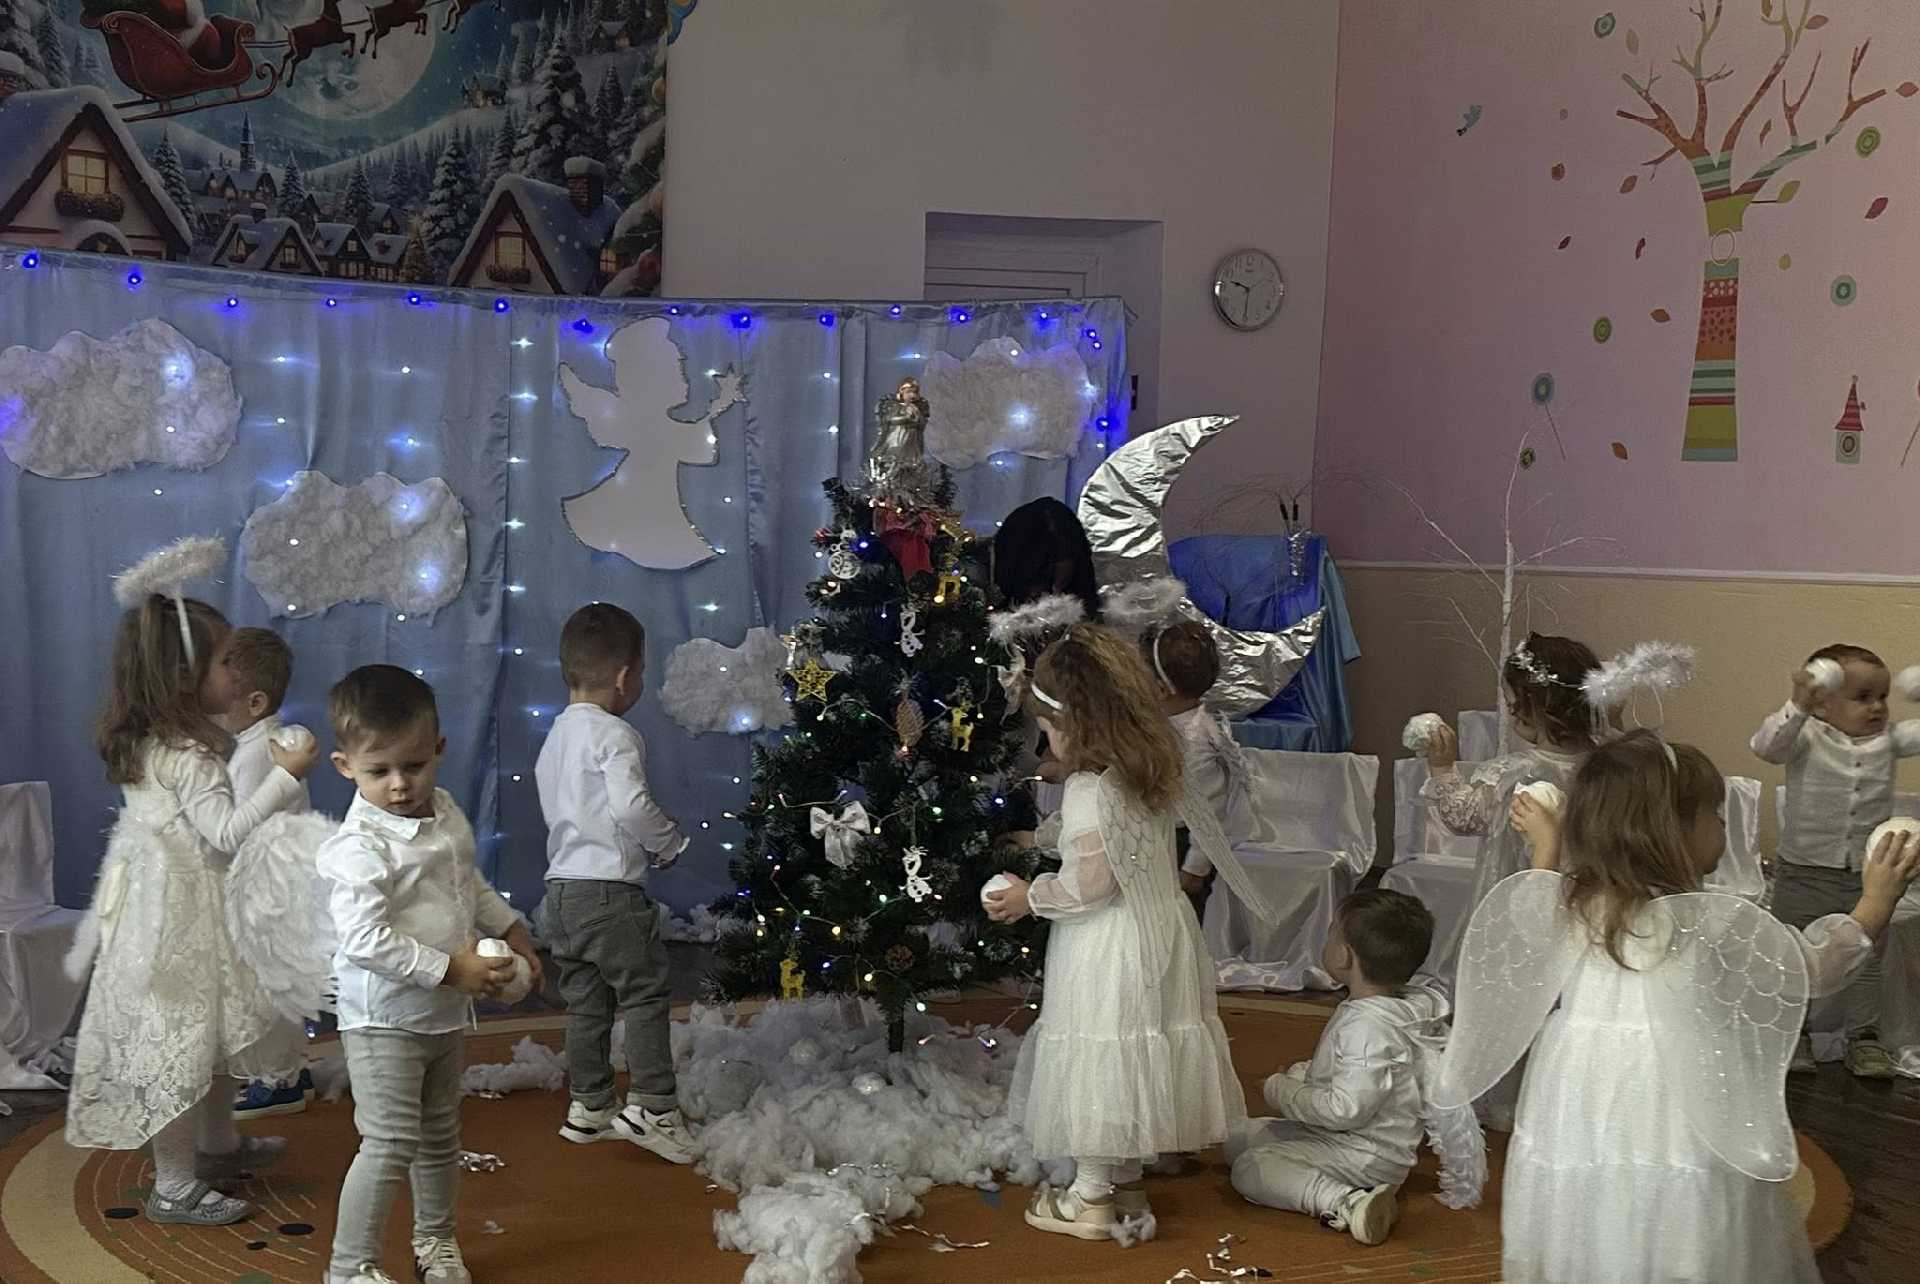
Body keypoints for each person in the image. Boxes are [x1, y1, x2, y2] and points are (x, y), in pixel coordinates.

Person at [1451, 731, 1920, 1283]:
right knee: (1682, 1198)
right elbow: (1810, 968)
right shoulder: (1709, 922)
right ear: (1671, 829)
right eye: (1714, 814)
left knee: (1591, 1189)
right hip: (1675, 1096)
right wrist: (1875, 903)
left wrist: (1546, 847)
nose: (1723, 826)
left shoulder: (1577, 904)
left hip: (1580, 1087)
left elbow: (1533, 920)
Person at [985, 624, 1272, 1240]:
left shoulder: (1091, 789)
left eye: (1050, 727)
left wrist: (1027, 897)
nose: (1046, 741)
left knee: (1102, 1056)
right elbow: (1119, 840)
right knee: (1137, 1051)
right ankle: (1127, 1177)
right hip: (1161, 930)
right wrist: (1044, 839)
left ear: (1078, 726)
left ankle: (1090, 1196)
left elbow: (1089, 885)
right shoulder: (1149, 768)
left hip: (1108, 943)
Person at [67, 593, 317, 1226]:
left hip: (154, 908)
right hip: (186, 916)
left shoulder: (146, 742)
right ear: (184, 676)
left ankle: (216, 1147)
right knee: (182, 1046)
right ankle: (175, 1185)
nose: (235, 672)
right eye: (225, 661)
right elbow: (224, 834)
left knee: (210, 1038)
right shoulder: (191, 755)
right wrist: (284, 777)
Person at [318, 666, 539, 1284]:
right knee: (389, 1142)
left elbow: (467, 884)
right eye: (379, 771)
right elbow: (363, 940)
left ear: (438, 749)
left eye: (413, 765)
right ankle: (350, 1268)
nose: (399, 785)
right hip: (383, 1018)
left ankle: (435, 1241)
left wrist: (512, 928)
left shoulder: (444, 812)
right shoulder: (359, 847)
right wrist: (451, 969)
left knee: (441, 1134)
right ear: (344, 766)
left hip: (441, 1013)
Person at [1226, 889, 1482, 1245]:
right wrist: (1300, 1074)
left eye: (1332, 931)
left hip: (1364, 1153)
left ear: (1343, 955)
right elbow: (1351, 1071)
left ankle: (1348, 1202)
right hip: (1350, 1139)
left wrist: (1280, 1090)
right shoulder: (1391, 1010)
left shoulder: (1368, 1026)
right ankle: (1350, 1191)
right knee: (1234, 1138)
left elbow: (1345, 1110)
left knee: (1251, 1168)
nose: (1327, 938)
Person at [535, 604, 695, 1162]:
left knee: (586, 1001)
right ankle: (654, 1106)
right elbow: (629, 807)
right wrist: (667, 841)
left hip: (561, 892)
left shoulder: (555, 737)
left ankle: (591, 1104)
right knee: (645, 994)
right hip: (610, 892)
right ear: (626, 677)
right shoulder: (616, 734)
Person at [1752, 643, 1920, 1077]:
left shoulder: (1889, 741)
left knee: (1866, 958)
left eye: (1882, 696)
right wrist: (1797, 705)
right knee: (1793, 955)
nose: (1877, 707)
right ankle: (1795, 1034)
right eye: (1863, 697)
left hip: (1865, 878)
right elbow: (1766, 747)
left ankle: (1864, 1038)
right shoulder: (1805, 735)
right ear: (1823, 703)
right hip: (1802, 873)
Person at [218, 626, 318, 1120]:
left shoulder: (256, 754)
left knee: (265, 990)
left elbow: (239, 827)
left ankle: (278, 1078)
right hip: (279, 886)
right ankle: (289, 1069)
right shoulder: (268, 744)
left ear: (254, 702)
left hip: (268, 892)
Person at [1138, 619, 1248, 912]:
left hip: (1181, 845)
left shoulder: (1195, 741)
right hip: (1158, 835)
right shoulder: (1169, 722)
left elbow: (1209, 811)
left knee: (1176, 917)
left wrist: (1194, 869)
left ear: (1161, 690)